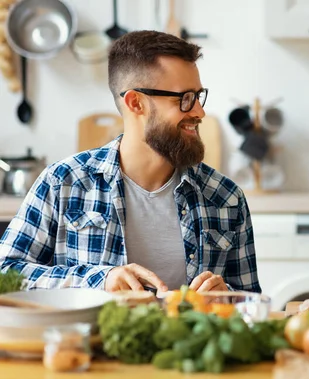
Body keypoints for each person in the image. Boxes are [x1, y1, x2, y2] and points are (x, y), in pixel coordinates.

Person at [0, 31, 261, 294]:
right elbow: (5, 272)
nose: (199, 111)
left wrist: (228, 298)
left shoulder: (226, 198)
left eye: (198, 96)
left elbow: (251, 303)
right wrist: (99, 280)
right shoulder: (63, 182)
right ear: (136, 103)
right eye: (184, 98)